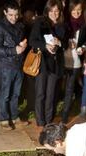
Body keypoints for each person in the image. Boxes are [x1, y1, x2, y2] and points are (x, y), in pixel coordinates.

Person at [29, 0, 66, 130]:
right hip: (43, 63)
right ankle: (40, 121)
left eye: (57, 11)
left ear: (60, 11)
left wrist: (60, 43)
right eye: (51, 11)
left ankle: (49, 121)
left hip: (55, 65)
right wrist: (45, 46)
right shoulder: (41, 22)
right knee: (41, 94)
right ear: (47, 11)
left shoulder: (63, 25)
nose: (54, 14)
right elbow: (32, 41)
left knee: (51, 95)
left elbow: (66, 44)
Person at [0, 1, 29, 130]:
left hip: (19, 64)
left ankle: (14, 117)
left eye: (16, 15)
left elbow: (20, 43)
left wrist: (23, 45)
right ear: (4, 13)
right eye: (10, 15)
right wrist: (14, 50)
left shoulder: (20, 25)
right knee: (5, 93)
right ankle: (3, 119)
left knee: (16, 93)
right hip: (6, 66)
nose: (14, 18)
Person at [61, 0, 86, 124]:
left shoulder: (85, 24)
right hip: (62, 60)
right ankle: (52, 112)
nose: (76, 13)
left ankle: (64, 116)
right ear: (69, 10)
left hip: (76, 62)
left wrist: (82, 48)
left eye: (79, 10)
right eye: (74, 10)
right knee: (57, 88)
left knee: (69, 89)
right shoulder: (64, 23)